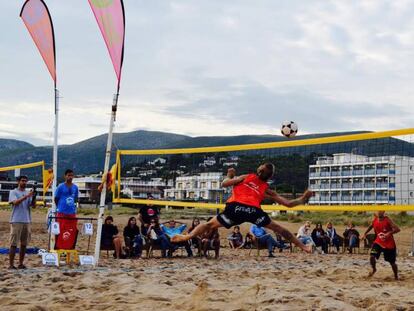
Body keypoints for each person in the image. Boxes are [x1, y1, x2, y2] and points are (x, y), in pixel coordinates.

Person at [171, 164, 313, 254]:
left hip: (236, 208)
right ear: (269, 177)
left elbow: (225, 184)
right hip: (253, 211)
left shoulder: (246, 177)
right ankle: (304, 247)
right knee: (280, 229)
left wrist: (230, 174)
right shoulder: (266, 189)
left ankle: (187, 236)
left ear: (259, 170)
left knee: (208, 224)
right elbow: (288, 204)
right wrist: (303, 199)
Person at [362, 211, 400, 280]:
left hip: (389, 244)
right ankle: (374, 269)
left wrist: (389, 233)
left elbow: (397, 229)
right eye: (378, 211)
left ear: (383, 212)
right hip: (378, 242)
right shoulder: (375, 219)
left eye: (381, 211)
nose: (379, 212)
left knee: (392, 262)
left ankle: (396, 276)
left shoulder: (387, 220)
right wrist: (365, 233)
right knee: (372, 256)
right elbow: (371, 226)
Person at [8, 175, 36, 269]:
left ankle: (20, 263)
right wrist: (26, 196)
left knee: (24, 244)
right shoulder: (13, 192)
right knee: (13, 244)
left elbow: (32, 206)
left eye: (25, 181)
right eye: (22, 181)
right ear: (18, 182)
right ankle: (11, 265)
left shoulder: (28, 193)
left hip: (26, 220)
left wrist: (34, 197)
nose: (24, 182)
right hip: (16, 220)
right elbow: (15, 202)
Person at [54, 169, 79, 249]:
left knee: (72, 229)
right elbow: (56, 198)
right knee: (60, 229)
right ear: (65, 176)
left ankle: (69, 246)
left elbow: (76, 198)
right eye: (68, 175)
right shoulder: (61, 186)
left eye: (72, 175)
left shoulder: (75, 187)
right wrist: (59, 207)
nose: (70, 177)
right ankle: (58, 246)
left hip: (71, 212)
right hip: (62, 211)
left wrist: (73, 207)